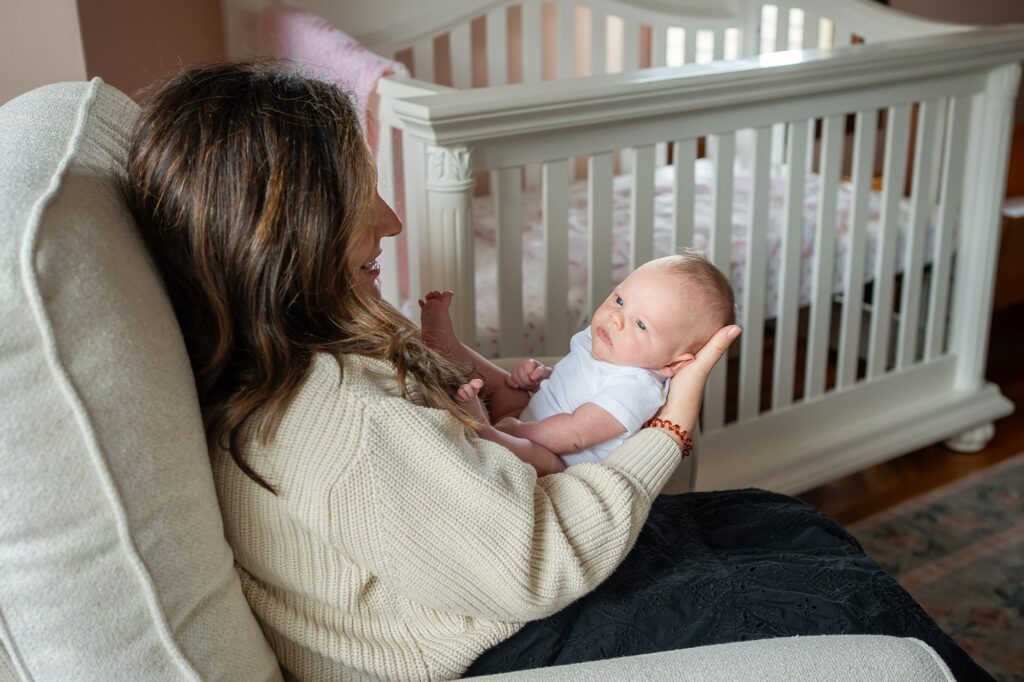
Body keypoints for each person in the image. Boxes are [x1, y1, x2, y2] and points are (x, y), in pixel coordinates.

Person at [125, 60, 992, 682]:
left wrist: (475, 370)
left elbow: (467, 450)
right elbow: (535, 566)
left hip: (485, 569)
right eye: (363, 198)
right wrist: (670, 426)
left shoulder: (319, 343)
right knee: (843, 605)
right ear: (291, 235)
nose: (390, 221)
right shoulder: (340, 417)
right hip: (486, 633)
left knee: (787, 524)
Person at [418, 252, 736, 476]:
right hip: (532, 418)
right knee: (508, 387)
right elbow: (575, 381)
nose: (617, 318)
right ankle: (447, 348)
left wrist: (519, 430)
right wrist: (540, 377)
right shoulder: (609, 341)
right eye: (620, 300)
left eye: (641, 325)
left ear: (675, 363)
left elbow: (578, 433)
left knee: (539, 455)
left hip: (561, 463)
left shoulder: (636, 387)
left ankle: (486, 434)